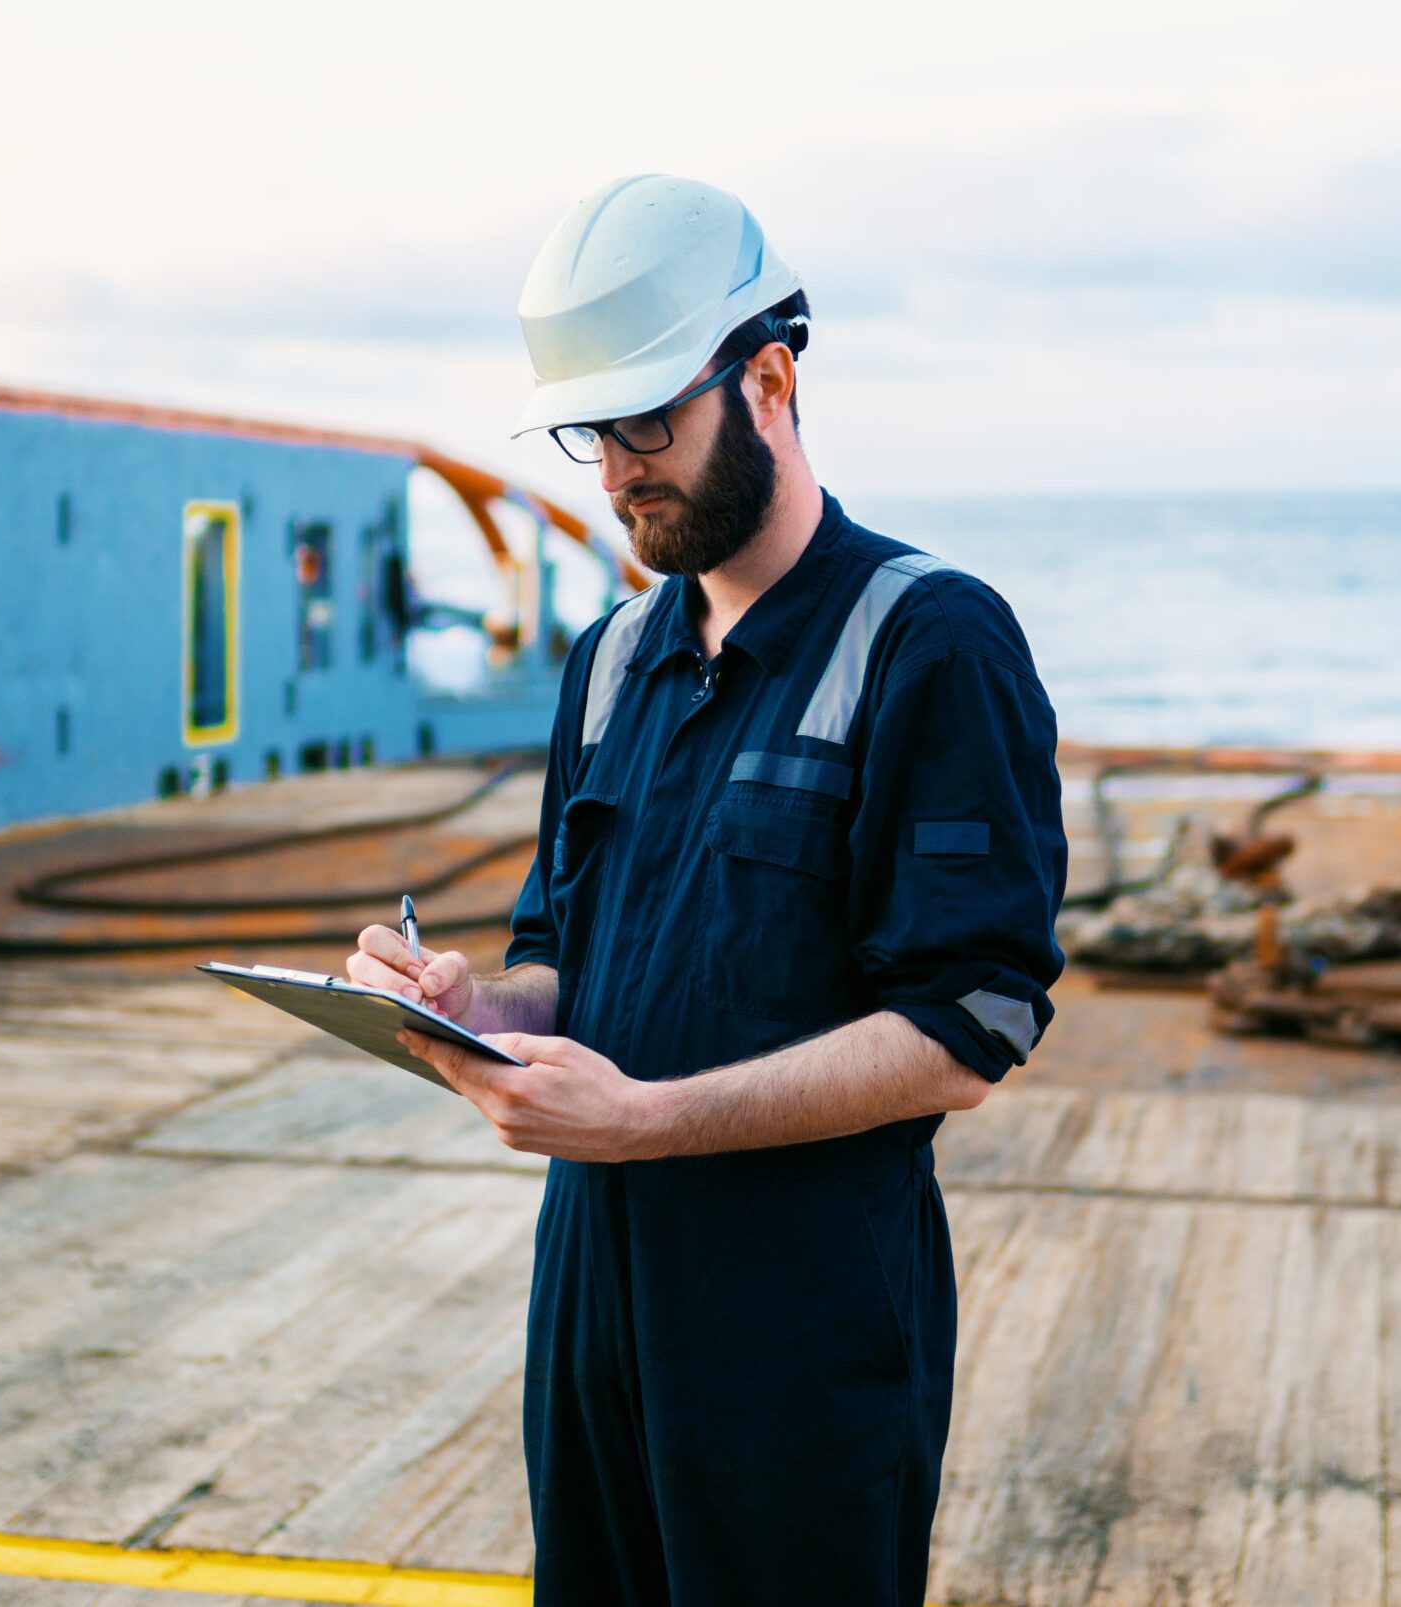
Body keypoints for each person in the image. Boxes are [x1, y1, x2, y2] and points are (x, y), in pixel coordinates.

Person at [346, 174, 1067, 1607]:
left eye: (648, 423)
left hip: (796, 1339)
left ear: (772, 379)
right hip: (593, 1315)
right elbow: (567, 957)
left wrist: (648, 1121)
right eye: (589, 433)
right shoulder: (610, 662)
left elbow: (970, 1030)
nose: (615, 472)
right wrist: (474, 1007)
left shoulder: (930, 643)